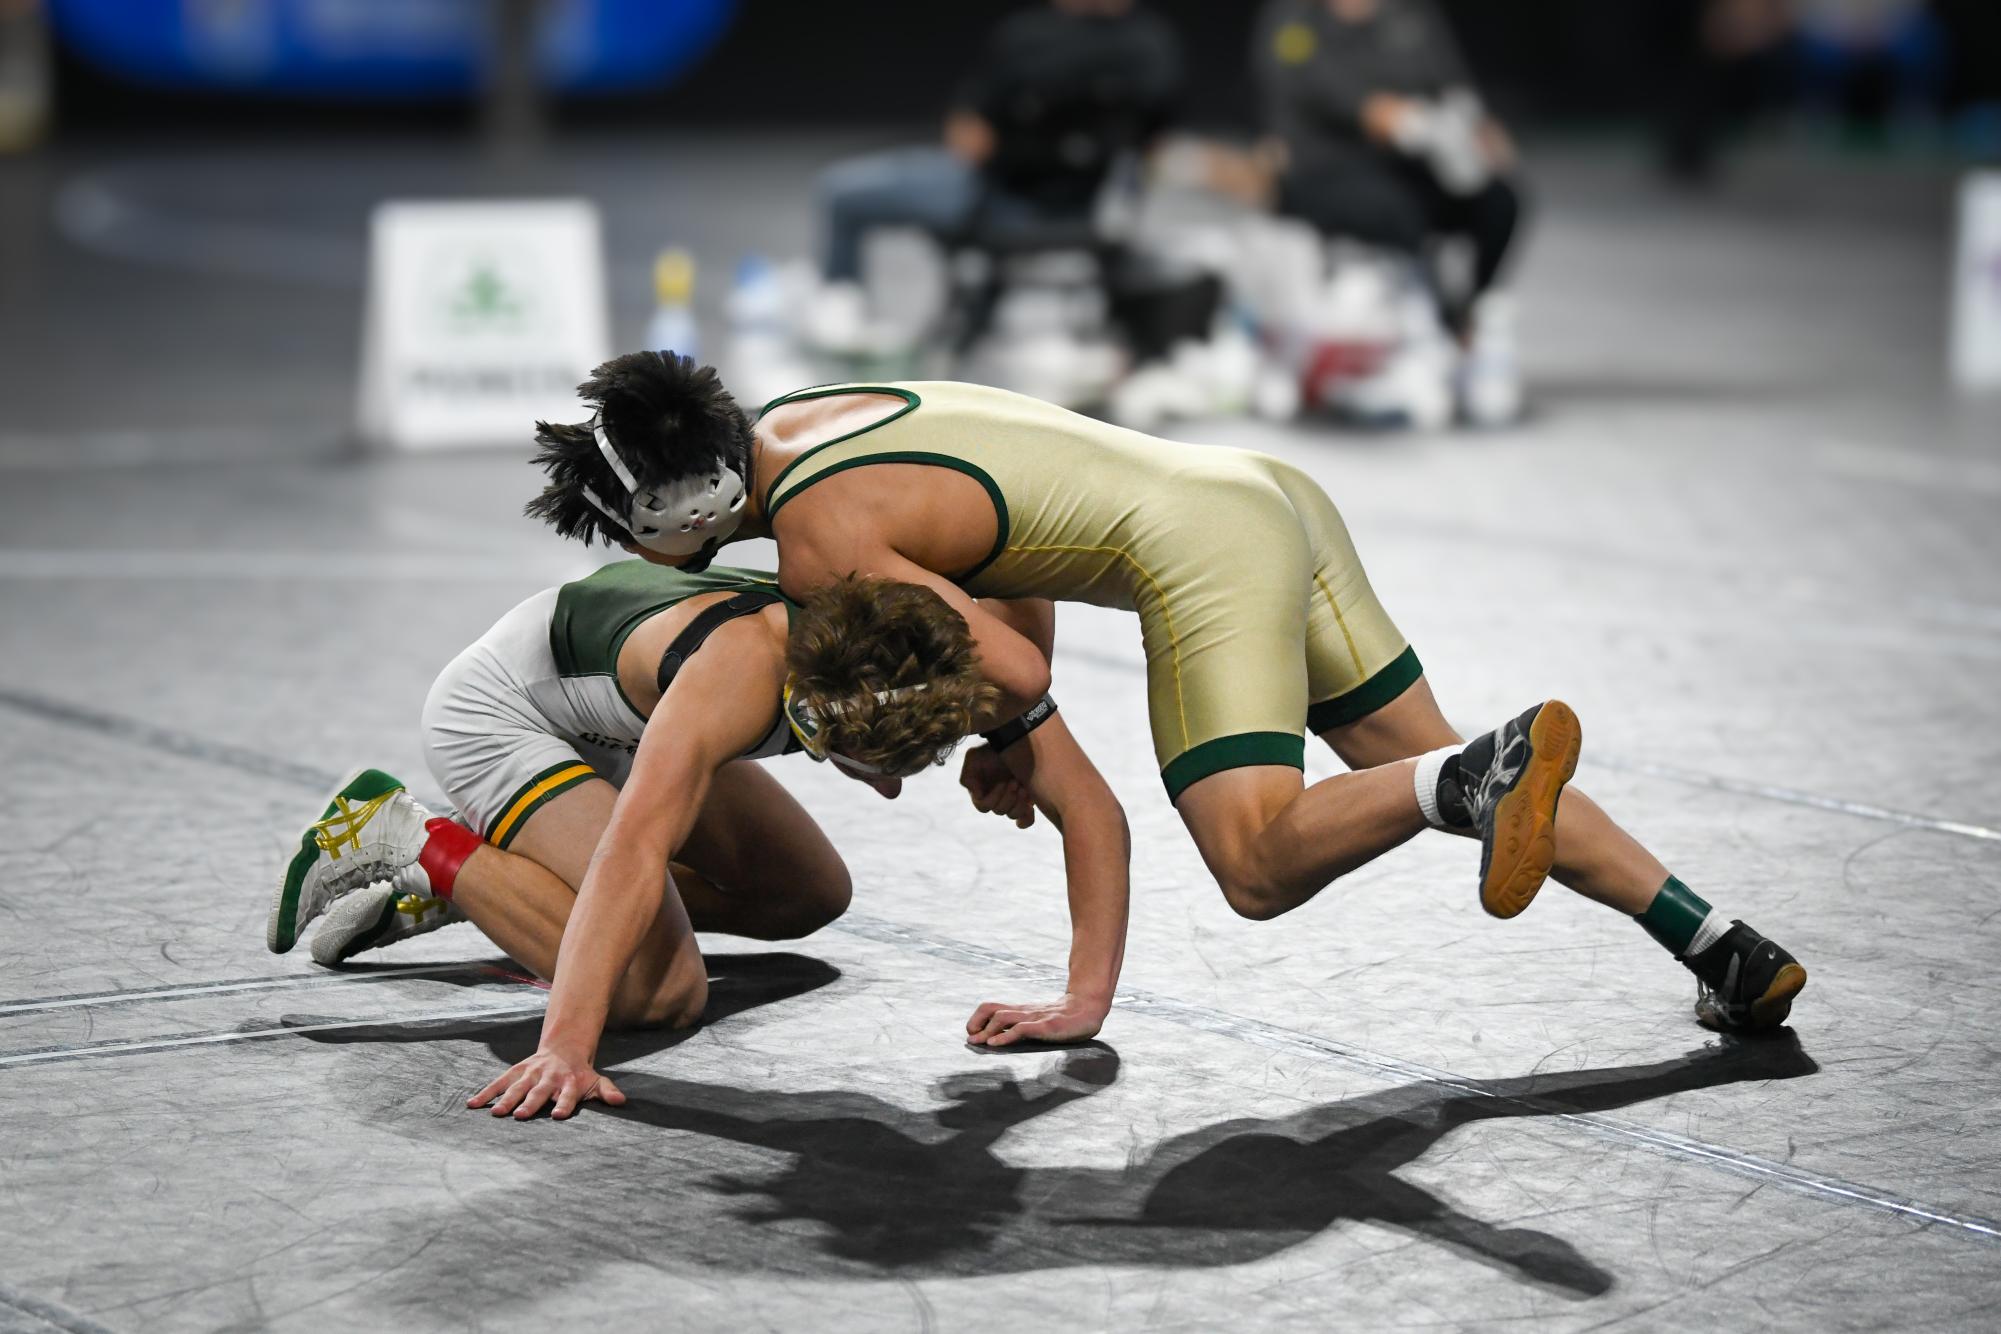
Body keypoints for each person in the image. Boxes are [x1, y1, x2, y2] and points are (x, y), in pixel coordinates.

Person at [526, 353, 1810, 1039]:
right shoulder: (812, 413)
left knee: (1256, 860)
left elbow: (1018, 667)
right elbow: (990, 542)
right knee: (1451, 767)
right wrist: (1004, 721)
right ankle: (1723, 948)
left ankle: (1457, 781)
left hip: (1203, 554)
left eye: (623, 524)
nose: (632, 550)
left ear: (674, 505)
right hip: (1260, 490)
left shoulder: (812, 541)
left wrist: (993, 727)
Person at [270, 463, 1131, 1118]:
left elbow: (1092, 810)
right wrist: (567, 1046)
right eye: (878, 773)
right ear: (811, 715)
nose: (896, 797)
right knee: (658, 992)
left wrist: (1083, 999)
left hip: (624, 710)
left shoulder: (927, 647)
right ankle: (411, 838)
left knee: (806, 896)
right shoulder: (737, 679)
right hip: (505, 714)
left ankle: (507, 883)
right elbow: (633, 850)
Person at [807, 0, 1182, 350]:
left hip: (994, 198)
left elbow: (971, 140)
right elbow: (1155, 148)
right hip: (1086, 215)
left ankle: (840, 320)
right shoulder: (1154, 47)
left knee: (842, 191)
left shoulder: (1031, 36)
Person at [1250, 0, 1527, 423]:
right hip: (1326, 170)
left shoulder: (1411, 16)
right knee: (1393, 212)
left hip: (1411, 166)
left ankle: (1472, 328)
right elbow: (1327, 94)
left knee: (1499, 200)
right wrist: (1393, 117)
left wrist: (1475, 134)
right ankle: (1421, 342)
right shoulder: (1295, 21)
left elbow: (1454, 88)